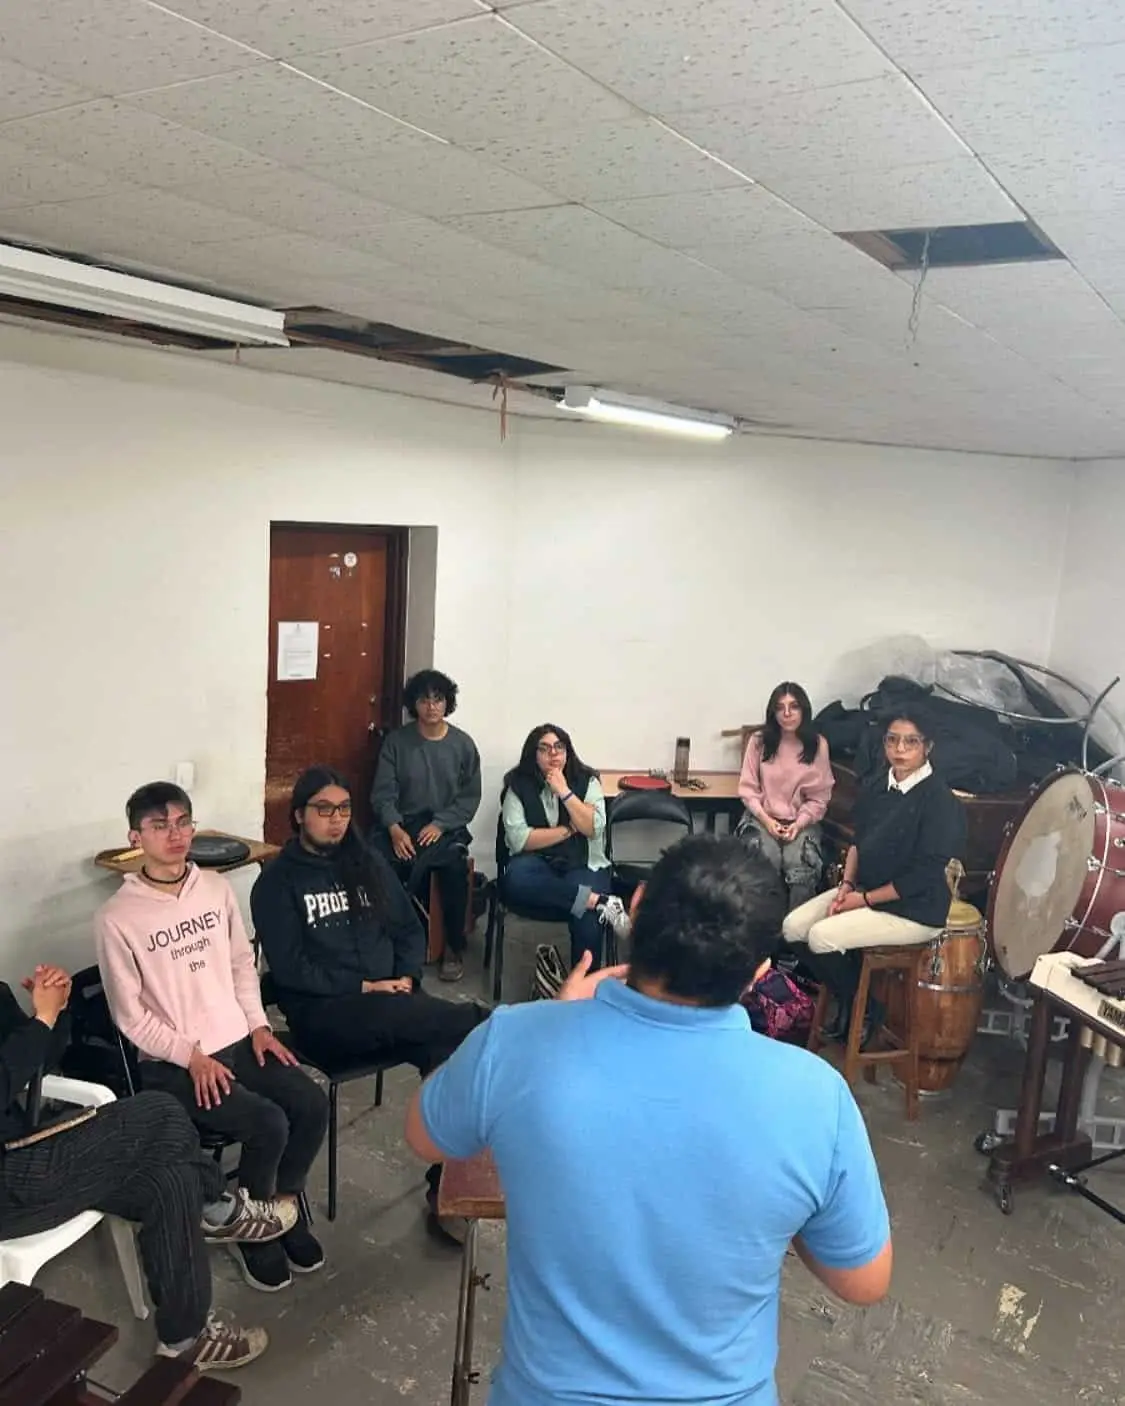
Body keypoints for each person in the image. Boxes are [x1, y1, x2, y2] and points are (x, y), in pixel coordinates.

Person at [405, 836, 892, 1406]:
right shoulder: (816, 1094)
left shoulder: (516, 1040)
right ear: (760, 969)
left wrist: (553, 1021)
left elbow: (424, 1136)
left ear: (634, 910)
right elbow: (862, 1281)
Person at [96, 782, 330, 1294]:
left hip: (238, 1039)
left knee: (310, 1104)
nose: (175, 835)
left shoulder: (216, 889)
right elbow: (129, 1017)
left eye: (183, 822)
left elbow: (242, 965)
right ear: (136, 836)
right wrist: (191, 1056)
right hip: (172, 1063)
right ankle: (252, 1233)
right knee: (267, 1122)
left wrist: (258, 1026)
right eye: (160, 826)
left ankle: (282, 1210)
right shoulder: (117, 917)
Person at [0, 962, 279, 1370]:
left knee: (170, 1179)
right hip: (9, 1182)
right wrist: (40, 1021)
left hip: (31, 1148)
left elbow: (40, 1061)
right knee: (160, 1113)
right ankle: (219, 1208)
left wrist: (52, 1012)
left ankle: (185, 1340)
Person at [250, 765, 487, 1237]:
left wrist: (402, 974)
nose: (336, 820)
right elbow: (295, 970)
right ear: (299, 815)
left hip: (393, 1007)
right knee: (460, 1026)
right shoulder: (276, 883)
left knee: (452, 1051)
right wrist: (366, 987)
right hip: (326, 1017)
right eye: (323, 810)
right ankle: (489, 1021)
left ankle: (446, 1189)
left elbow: (406, 928)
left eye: (343, 809)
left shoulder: (367, 861)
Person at [782, 708, 967, 1044]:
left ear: (928, 747)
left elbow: (922, 877)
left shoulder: (940, 801)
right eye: (893, 740)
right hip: (864, 890)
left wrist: (863, 900)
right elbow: (857, 844)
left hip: (913, 908)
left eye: (911, 742)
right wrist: (847, 886)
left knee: (821, 938)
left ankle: (866, 1007)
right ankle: (855, 1002)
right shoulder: (877, 785)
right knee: (793, 928)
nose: (900, 749)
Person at [371, 668, 482, 984]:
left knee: (453, 869)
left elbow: (469, 798)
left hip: (445, 828)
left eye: (438, 699)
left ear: (448, 703)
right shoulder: (397, 742)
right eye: (424, 700)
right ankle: (388, 943)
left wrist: (441, 824)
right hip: (403, 824)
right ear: (413, 704)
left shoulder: (463, 745)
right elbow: (382, 793)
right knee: (376, 863)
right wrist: (394, 828)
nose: (432, 706)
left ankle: (452, 947)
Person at [501, 724, 630, 970]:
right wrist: (569, 830)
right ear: (533, 754)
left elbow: (593, 828)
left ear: (567, 751)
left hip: (582, 861)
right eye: (545, 748)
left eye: (559, 747)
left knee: (587, 916)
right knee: (514, 879)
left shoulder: (587, 780)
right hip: (537, 863)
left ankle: (582, 990)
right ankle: (600, 900)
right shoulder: (517, 785)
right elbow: (521, 840)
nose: (554, 754)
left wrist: (564, 791)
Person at [737, 681, 834, 911]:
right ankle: (760, 937)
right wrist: (767, 821)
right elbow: (748, 790)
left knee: (801, 869)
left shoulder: (818, 745)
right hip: (762, 817)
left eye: (794, 707)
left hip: (801, 821)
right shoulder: (759, 741)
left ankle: (793, 938)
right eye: (780, 708)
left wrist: (798, 825)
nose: (787, 714)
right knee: (763, 865)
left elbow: (819, 798)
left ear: (804, 710)